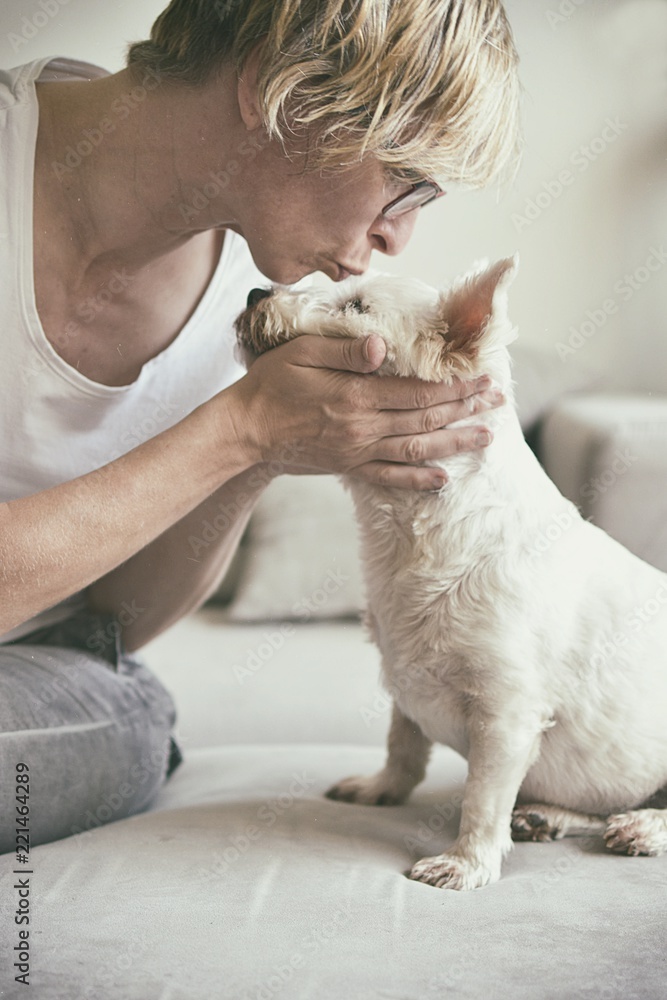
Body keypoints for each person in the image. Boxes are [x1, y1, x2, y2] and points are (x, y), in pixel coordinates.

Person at [0, 0, 521, 851]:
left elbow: (114, 627)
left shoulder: (250, 303)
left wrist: (268, 447)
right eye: (404, 177)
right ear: (282, 88)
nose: (400, 235)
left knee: (120, 705)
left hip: (40, 680)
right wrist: (238, 429)